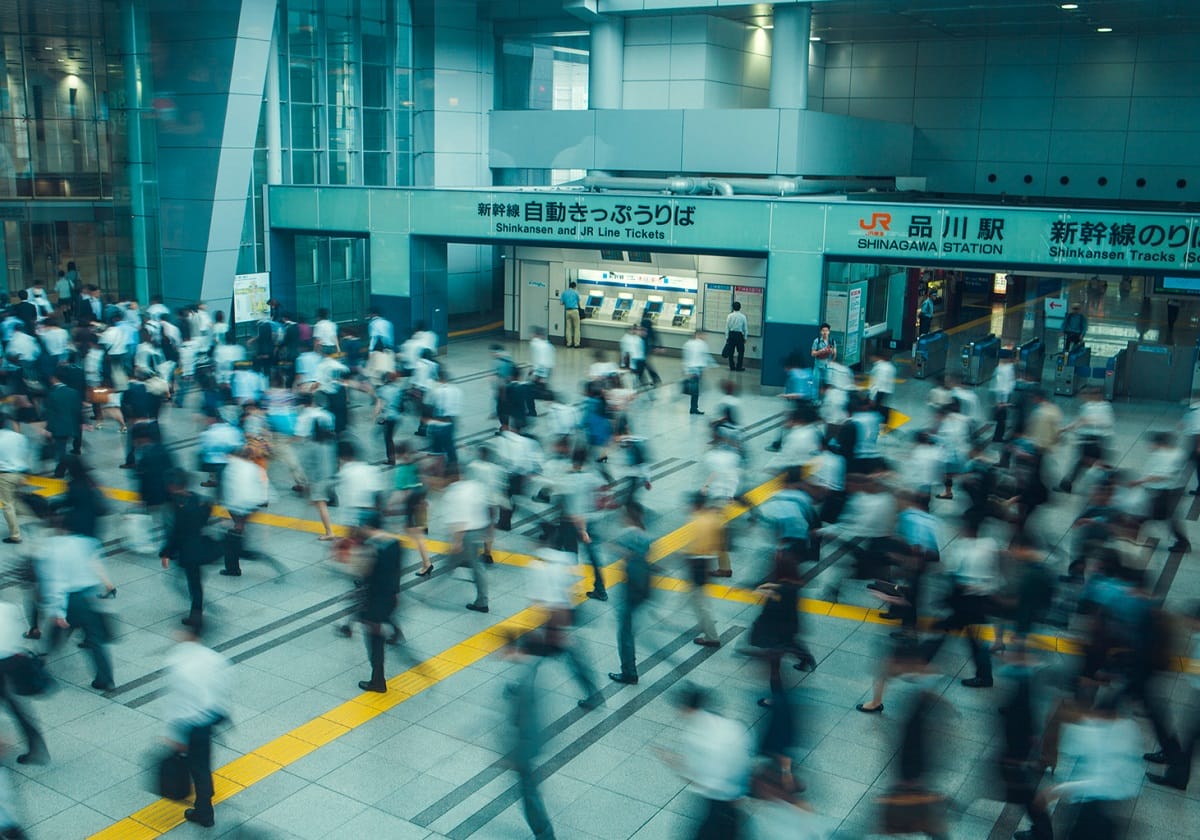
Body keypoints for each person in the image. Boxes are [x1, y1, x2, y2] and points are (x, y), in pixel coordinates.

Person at [660, 684, 752, 840]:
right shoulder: (731, 725)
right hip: (735, 797)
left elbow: (700, 780)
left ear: (686, 708)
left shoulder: (694, 737)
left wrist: (673, 761)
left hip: (716, 802)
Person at [163, 628, 230, 829]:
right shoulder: (213, 658)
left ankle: (204, 812)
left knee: (198, 768)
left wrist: (173, 735)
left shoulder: (177, 663)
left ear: (189, 635)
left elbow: (176, 703)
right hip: (210, 718)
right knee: (203, 764)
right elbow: (224, 684)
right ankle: (206, 798)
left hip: (191, 725)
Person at [353, 512, 402, 693]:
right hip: (391, 596)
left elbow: (362, 571)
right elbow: (397, 571)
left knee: (374, 640)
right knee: (382, 625)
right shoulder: (395, 543)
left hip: (373, 600)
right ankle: (396, 634)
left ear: (367, 527)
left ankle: (377, 680)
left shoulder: (371, 548)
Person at [160, 470, 215, 629]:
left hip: (187, 551)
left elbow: (175, 533)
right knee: (195, 582)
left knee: (190, 583)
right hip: (199, 546)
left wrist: (166, 553)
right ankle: (196, 613)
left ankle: (197, 614)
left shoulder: (177, 506)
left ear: (172, 486)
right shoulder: (198, 499)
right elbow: (205, 515)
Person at [609, 503, 652, 686]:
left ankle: (629, 671)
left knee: (625, 632)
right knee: (629, 629)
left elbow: (612, 547)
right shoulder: (645, 536)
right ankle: (629, 669)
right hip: (643, 589)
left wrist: (620, 550)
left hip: (631, 590)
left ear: (629, 517)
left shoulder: (629, 536)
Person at [442, 466, 492, 613]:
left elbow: (460, 520)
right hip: (479, 530)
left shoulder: (453, 493)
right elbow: (487, 507)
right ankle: (482, 599)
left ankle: (482, 602)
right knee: (476, 565)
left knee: (462, 563)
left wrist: (456, 541)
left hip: (466, 535)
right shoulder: (475, 486)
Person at [0, 418, 29, 545]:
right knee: (16, 499)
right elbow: (25, 454)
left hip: (5, 475)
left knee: (8, 505)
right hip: (19, 473)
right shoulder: (19, 437)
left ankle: (15, 535)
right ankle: (30, 516)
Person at [682, 330, 712, 416]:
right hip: (695, 369)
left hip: (695, 369)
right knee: (695, 390)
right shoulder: (700, 344)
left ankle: (694, 407)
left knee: (696, 390)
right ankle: (693, 408)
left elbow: (686, 358)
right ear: (698, 335)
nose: (705, 337)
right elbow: (704, 357)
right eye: (703, 335)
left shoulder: (689, 344)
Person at [810, 323, 835, 389]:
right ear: (821, 332)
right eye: (823, 331)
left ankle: (824, 398)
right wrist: (820, 351)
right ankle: (814, 398)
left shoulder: (832, 341)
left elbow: (834, 353)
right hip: (818, 365)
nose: (825, 332)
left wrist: (830, 351)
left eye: (826, 331)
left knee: (827, 384)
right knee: (816, 383)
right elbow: (812, 353)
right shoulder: (817, 341)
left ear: (829, 332)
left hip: (828, 366)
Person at [725, 301, 748, 371]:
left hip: (731, 334)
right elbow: (745, 328)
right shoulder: (743, 316)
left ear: (733, 308)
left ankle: (732, 366)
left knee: (731, 352)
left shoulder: (729, 316)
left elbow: (727, 327)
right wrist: (745, 337)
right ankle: (739, 367)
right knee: (741, 351)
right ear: (740, 308)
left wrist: (727, 337)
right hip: (739, 335)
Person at [561, 281, 581, 349]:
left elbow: (561, 303)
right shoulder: (576, 292)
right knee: (576, 328)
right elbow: (578, 302)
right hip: (575, 311)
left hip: (567, 311)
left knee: (568, 328)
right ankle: (576, 344)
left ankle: (569, 343)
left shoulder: (564, 293)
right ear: (575, 286)